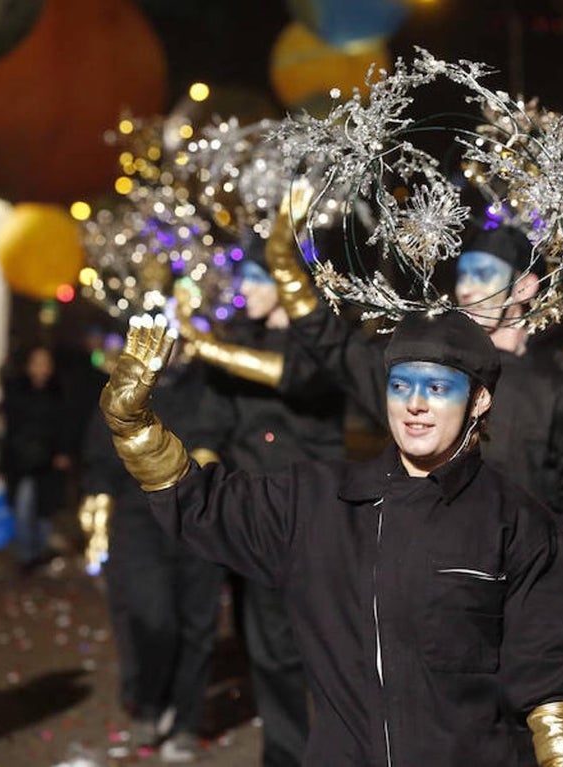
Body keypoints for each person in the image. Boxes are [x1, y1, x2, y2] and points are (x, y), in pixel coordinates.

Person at [100, 310, 563, 766]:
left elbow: (544, 684)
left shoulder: (522, 527)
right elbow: (202, 504)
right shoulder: (319, 504)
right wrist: (135, 429)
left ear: (479, 399)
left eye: (438, 387)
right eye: (400, 386)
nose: (415, 404)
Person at [179, 212, 563, 632]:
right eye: (462, 275)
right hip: (428, 584)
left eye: (482, 275)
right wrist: (284, 264)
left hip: (520, 585)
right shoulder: (427, 369)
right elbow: (337, 348)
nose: (465, 289)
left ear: (524, 286)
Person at [183, 249, 348, 766]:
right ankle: (285, 755)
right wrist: (208, 489)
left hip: (315, 511)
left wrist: (212, 347)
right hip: (254, 514)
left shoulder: (321, 340)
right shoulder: (236, 341)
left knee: (326, 642)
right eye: (244, 279)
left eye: (258, 278)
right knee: (267, 645)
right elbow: (211, 427)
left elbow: (301, 378)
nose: (246, 289)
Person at [82, 340, 229, 762]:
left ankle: (186, 720)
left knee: (197, 625)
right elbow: (100, 453)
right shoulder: (127, 384)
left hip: (199, 517)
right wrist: (98, 510)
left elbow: (220, 437)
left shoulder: (209, 385)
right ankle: (150, 701)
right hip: (139, 520)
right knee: (152, 617)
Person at [1, 346, 72, 570]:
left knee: (44, 511)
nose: (42, 368)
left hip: (49, 462)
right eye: (37, 362)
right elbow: (10, 429)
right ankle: (26, 555)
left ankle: (38, 551)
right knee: (23, 508)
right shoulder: (17, 392)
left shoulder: (58, 393)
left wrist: (62, 451)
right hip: (22, 461)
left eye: (46, 362)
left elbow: (65, 426)